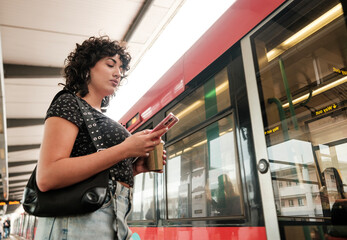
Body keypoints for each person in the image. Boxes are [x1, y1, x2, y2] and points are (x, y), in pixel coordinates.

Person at [35, 36, 167, 240]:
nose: (118, 73)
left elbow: (98, 172)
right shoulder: (68, 103)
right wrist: (125, 149)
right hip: (78, 224)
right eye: (110, 64)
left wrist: (134, 168)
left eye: (121, 69)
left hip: (111, 219)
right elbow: (47, 176)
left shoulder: (97, 115)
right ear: (87, 67)